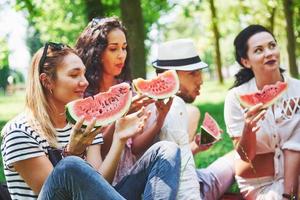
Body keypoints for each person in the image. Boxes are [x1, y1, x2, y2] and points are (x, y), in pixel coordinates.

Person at [1, 42, 181, 200]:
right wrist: (72, 153)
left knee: (166, 150)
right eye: (74, 75)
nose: (85, 82)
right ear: (47, 81)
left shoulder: (84, 122)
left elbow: (100, 184)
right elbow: (59, 194)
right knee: (71, 164)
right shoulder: (20, 133)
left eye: (84, 74)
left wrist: (119, 137)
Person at [150, 38, 236, 200]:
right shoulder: (187, 110)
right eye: (193, 73)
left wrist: (196, 146)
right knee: (237, 156)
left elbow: (174, 163)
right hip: (194, 190)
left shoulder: (147, 108)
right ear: (170, 76)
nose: (201, 80)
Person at [224, 24, 300, 199]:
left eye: (272, 46)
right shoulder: (236, 97)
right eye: (259, 50)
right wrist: (248, 129)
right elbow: (245, 156)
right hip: (259, 183)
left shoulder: (298, 89)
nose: (269, 53)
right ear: (246, 61)